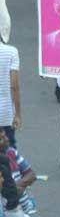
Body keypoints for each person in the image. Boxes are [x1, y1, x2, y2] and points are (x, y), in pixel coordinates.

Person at [0, 128, 39, 217]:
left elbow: (31, 174)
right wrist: (14, 189)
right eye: (1, 139)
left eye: (5, 136)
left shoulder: (12, 153)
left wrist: (15, 186)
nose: (6, 140)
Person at [0, 18, 20, 149]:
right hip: (5, 113)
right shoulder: (12, 52)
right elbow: (14, 86)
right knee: (10, 150)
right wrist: (17, 114)